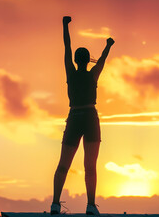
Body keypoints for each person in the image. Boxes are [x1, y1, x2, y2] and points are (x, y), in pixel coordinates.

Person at [51, 16, 114, 215]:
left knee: (63, 165)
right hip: (90, 118)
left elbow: (66, 46)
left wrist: (64, 25)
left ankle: (55, 204)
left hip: (75, 117)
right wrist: (108, 46)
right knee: (90, 167)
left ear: (77, 60)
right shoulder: (93, 73)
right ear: (87, 60)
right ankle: (90, 205)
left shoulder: (70, 71)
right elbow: (103, 59)